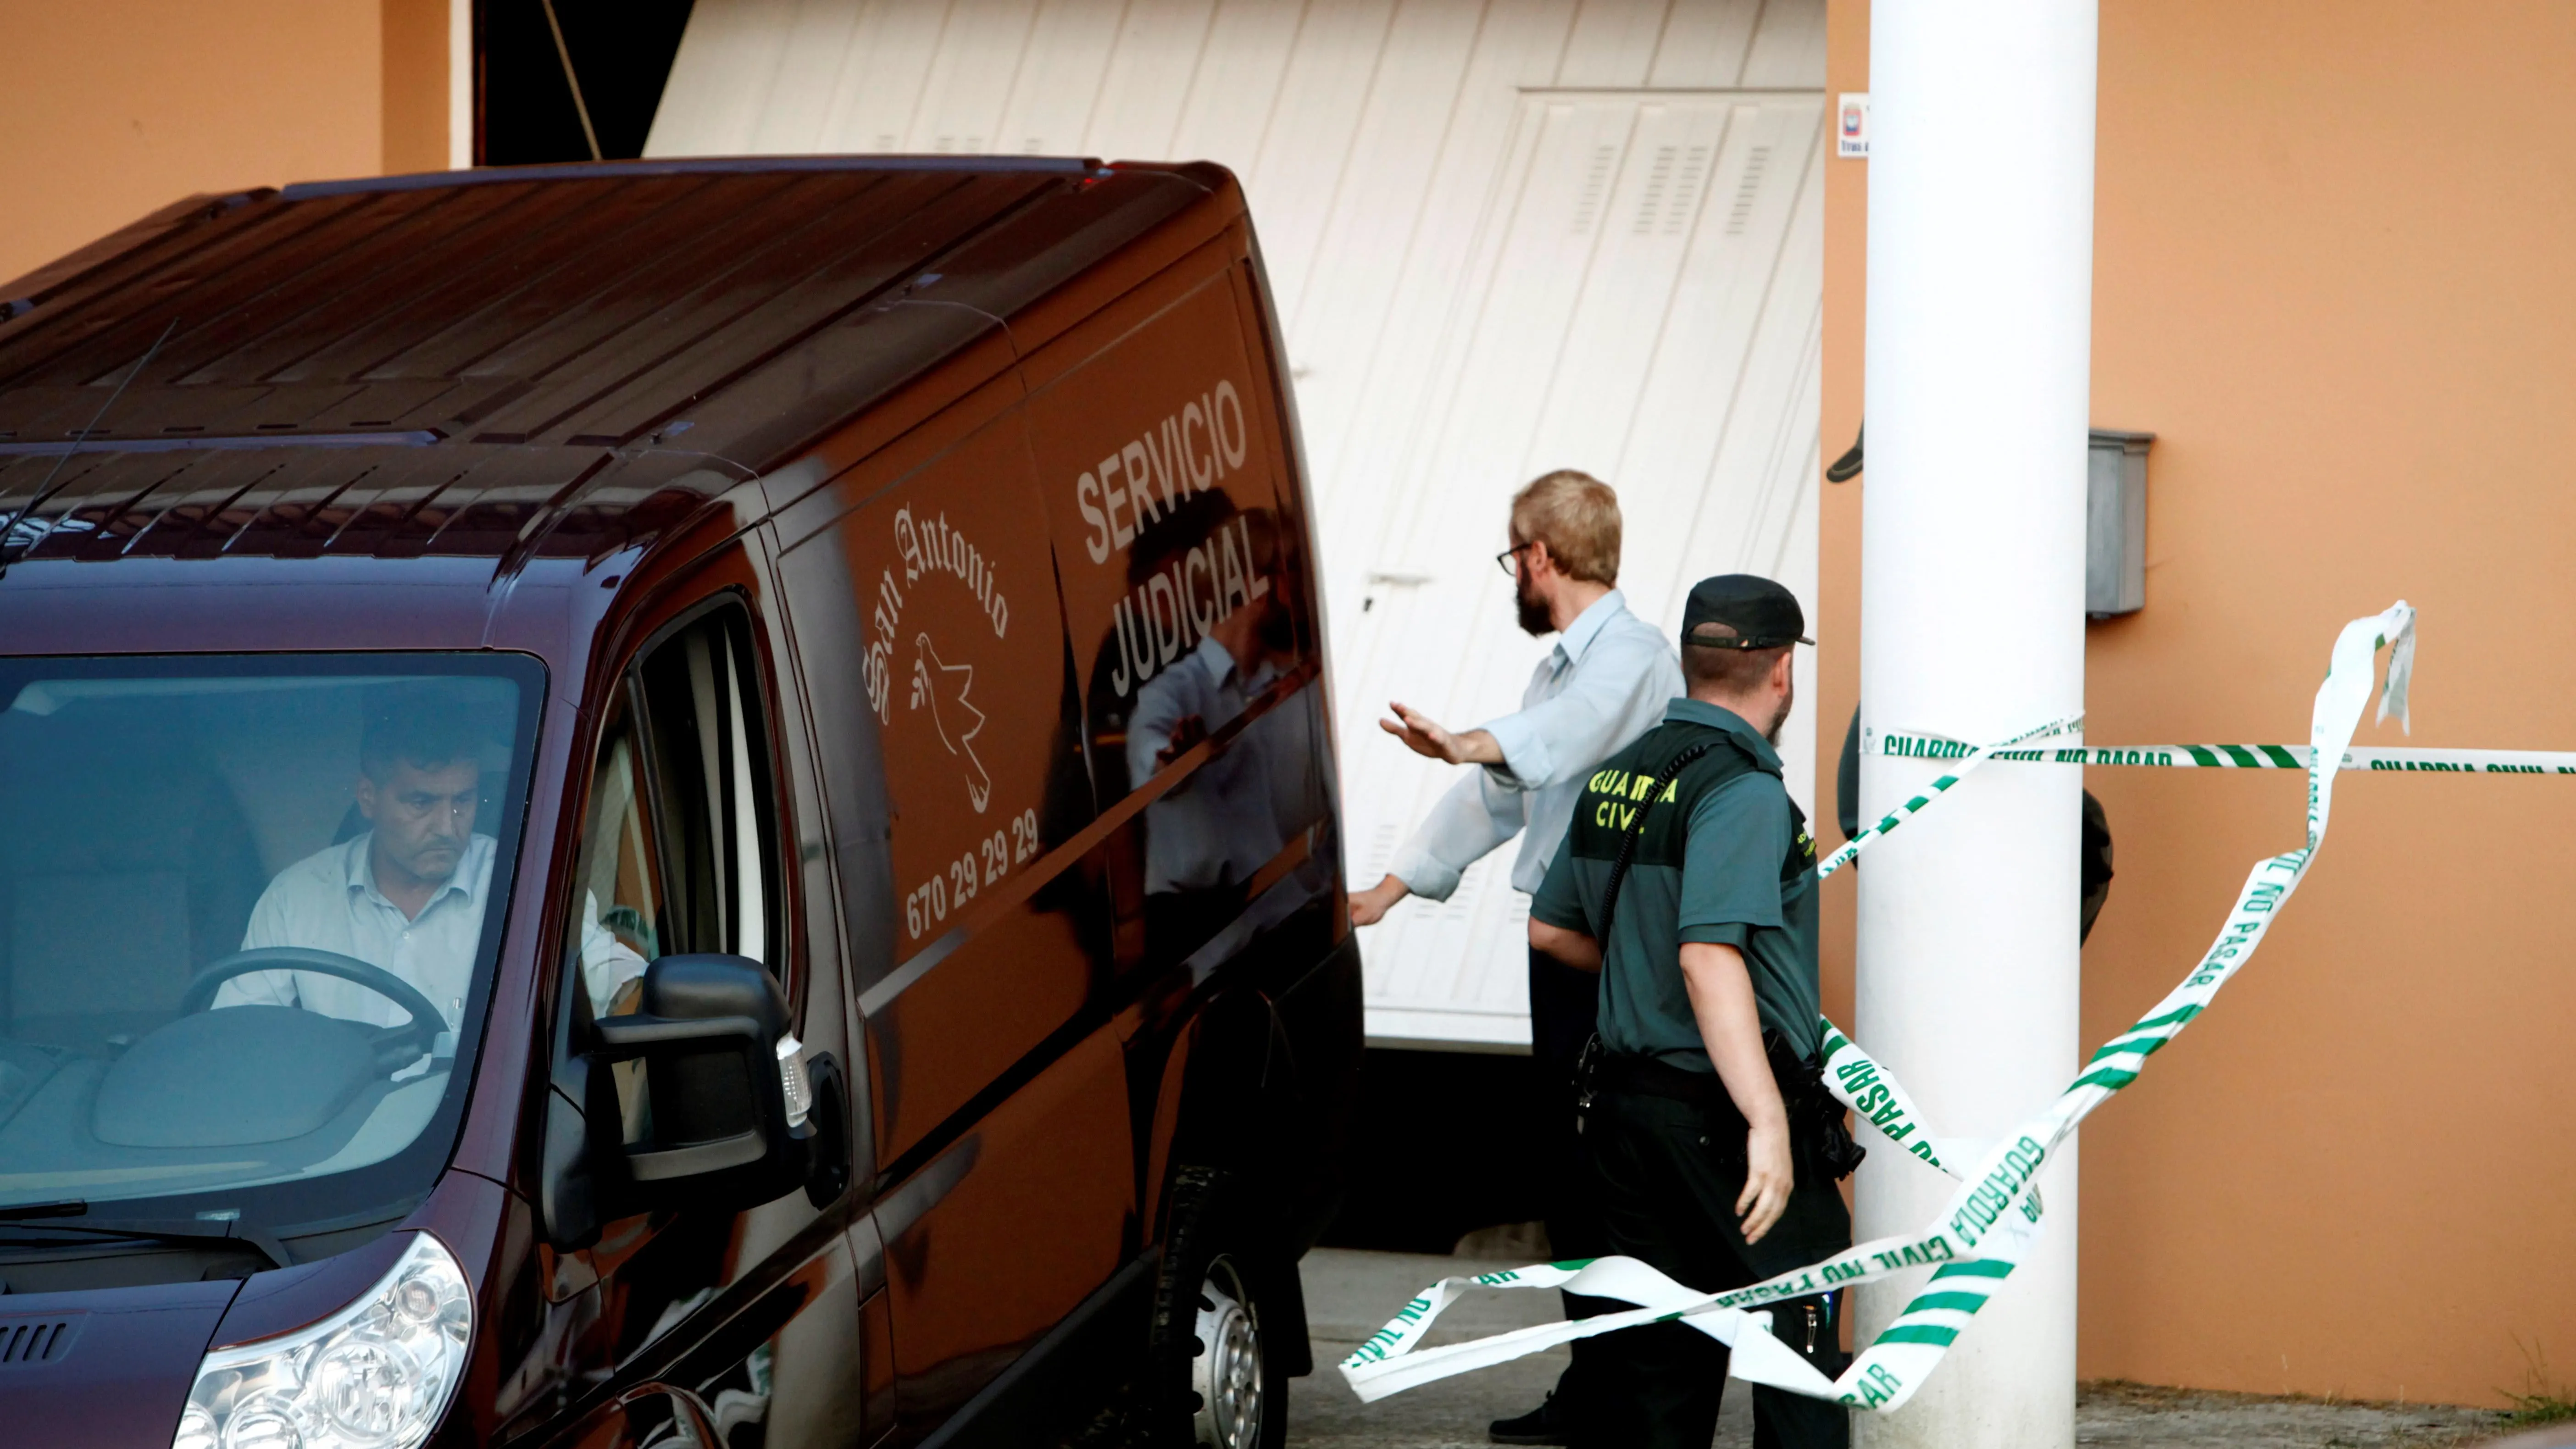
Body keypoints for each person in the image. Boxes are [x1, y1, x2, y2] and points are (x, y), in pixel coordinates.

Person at [1345, 469, 1681, 1446]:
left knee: (1606, 1183)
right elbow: (1503, 794)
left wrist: (1468, 741)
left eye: (1512, 558)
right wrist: (1388, 890)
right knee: (1574, 1184)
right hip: (1564, 955)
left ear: (1539, 557)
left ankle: (1626, 1399)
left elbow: (1551, 742)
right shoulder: (1566, 667)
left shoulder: (1631, 659)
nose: (1512, 581)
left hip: (1611, 959)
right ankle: (1599, 1387)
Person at [1528, 573, 1854, 1449]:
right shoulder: (1744, 792)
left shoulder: (1621, 772)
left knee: (1656, 1377)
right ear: (1781, 670)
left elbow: (1551, 930)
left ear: (1690, 659)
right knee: (1801, 1356)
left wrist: (1647, 970)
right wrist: (1768, 1121)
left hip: (1627, 1119)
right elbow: (1709, 955)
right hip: (1723, 1117)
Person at [217, 689, 643, 1058]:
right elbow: (236, 1043)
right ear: (368, 797)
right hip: (328, 1144)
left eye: (463, 799)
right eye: (421, 802)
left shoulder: (527, 885)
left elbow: (620, 985)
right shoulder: (296, 899)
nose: (447, 825)